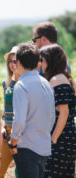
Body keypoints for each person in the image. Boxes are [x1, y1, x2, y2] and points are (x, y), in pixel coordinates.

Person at [9, 43, 55, 178]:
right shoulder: (46, 83)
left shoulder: (21, 85)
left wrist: (13, 142)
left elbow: (19, 120)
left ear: (19, 63)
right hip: (44, 147)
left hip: (27, 148)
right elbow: (51, 116)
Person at [40, 45, 76, 178]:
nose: (40, 63)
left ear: (50, 60)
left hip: (60, 139)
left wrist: (53, 139)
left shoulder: (56, 80)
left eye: (41, 59)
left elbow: (64, 112)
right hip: (67, 138)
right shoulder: (63, 77)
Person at [0, 46, 20, 178]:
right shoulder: (6, 83)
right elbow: (6, 108)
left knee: (21, 172)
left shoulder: (26, 82)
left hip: (23, 134)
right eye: (10, 61)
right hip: (8, 133)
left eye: (16, 60)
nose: (12, 64)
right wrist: (4, 126)